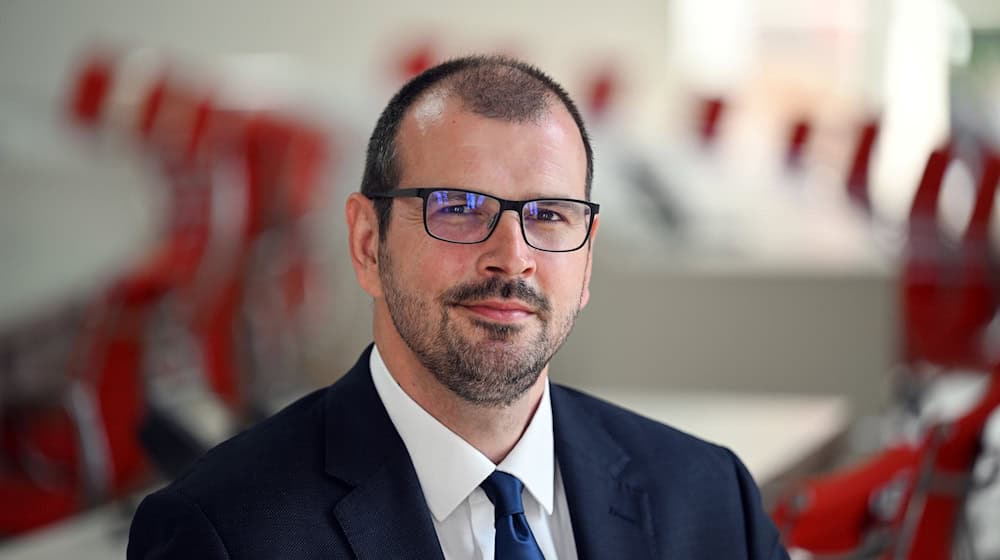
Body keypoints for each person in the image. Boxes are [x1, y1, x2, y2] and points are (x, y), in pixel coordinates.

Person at [128, 54, 789, 559]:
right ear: (367, 244)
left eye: (550, 215)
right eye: (459, 208)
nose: (512, 257)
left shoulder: (710, 500)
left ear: (587, 259)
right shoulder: (223, 533)